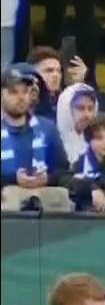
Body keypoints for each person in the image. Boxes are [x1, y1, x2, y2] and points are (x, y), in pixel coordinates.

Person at [2, 65, 70, 211]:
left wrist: (47, 179)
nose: (21, 97)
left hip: (42, 201)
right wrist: (14, 179)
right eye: (14, 92)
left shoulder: (48, 128)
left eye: (25, 91)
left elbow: (64, 172)